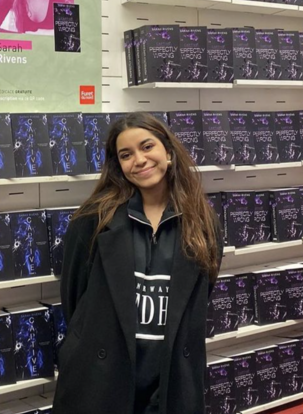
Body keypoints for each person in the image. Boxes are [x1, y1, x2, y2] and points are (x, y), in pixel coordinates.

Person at [52, 112, 223, 414]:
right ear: (118, 165)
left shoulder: (202, 224)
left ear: (168, 152)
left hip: (168, 379)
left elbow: (198, 298)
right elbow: (75, 300)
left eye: (147, 146)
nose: (139, 160)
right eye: (126, 155)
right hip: (101, 378)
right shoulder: (93, 220)